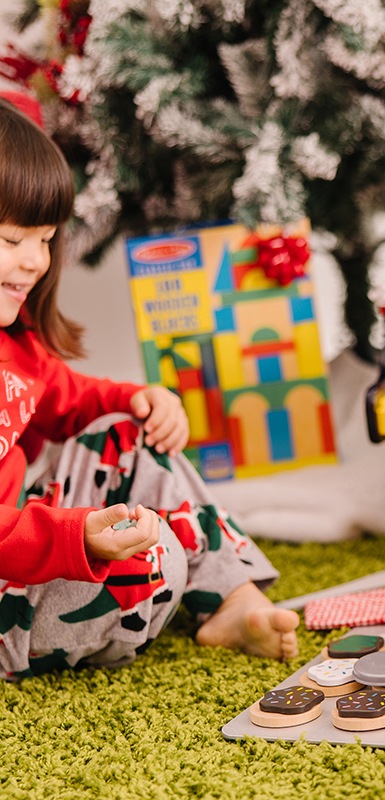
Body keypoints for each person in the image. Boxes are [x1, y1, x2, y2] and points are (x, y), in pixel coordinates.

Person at [0, 94, 299, 679]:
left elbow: (68, 396)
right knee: (153, 563)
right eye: (13, 241)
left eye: (46, 239)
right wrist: (74, 538)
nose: (36, 261)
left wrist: (135, 400)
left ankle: (232, 599)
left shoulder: (16, 344)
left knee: (131, 434)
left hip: (21, 544)